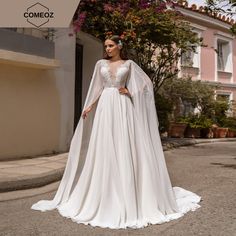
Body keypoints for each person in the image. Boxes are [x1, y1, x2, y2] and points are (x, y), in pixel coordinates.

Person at [31, 35, 201, 229]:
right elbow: (97, 88)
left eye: (111, 45)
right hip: (105, 106)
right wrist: (89, 107)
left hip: (122, 106)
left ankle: (127, 191)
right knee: (104, 145)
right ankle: (103, 191)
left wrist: (130, 92)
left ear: (119, 46)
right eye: (106, 46)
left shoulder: (129, 64)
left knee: (123, 144)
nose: (108, 49)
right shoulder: (99, 64)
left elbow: (146, 85)